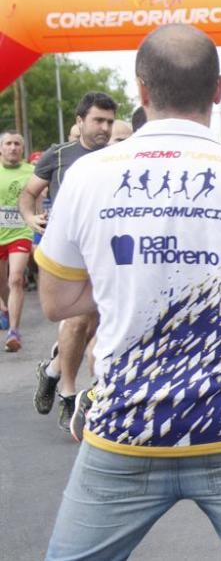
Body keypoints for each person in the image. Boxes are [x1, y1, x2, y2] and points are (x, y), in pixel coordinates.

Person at [41, 24, 221, 559]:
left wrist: (132, 285)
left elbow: (56, 301)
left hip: (124, 427)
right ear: (218, 91)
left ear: (141, 90)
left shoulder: (86, 175)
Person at [22, 91, 114, 433]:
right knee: (77, 324)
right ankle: (68, 396)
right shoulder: (59, 155)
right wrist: (31, 218)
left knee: (91, 328)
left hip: (104, 253)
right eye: (97, 121)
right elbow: (29, 192)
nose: (103, 127)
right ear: (80, 121)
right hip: (68, 254)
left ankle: (52, 371)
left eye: (108, 121)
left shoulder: (116, 158)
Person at [0, 132, 34, 352]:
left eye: (17, 144)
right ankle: (5, 308)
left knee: (16, 278)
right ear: (1, 148)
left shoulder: (32, 172)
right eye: (8, 143)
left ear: (22, 148)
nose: (12, 147)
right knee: (2, 282)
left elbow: (39, 200)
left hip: (20, 232)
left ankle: (14, 331)